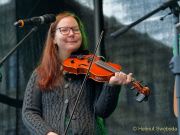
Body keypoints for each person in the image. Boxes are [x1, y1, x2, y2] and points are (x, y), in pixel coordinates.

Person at [22, 11, 133, 135]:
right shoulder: (40, 73)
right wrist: (47, 133)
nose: (71, 34)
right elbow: (29, 112)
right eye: (64, 30)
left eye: (76, 30)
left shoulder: (92, 68)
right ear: (53, 38)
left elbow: (102, 111)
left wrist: (112, 86)